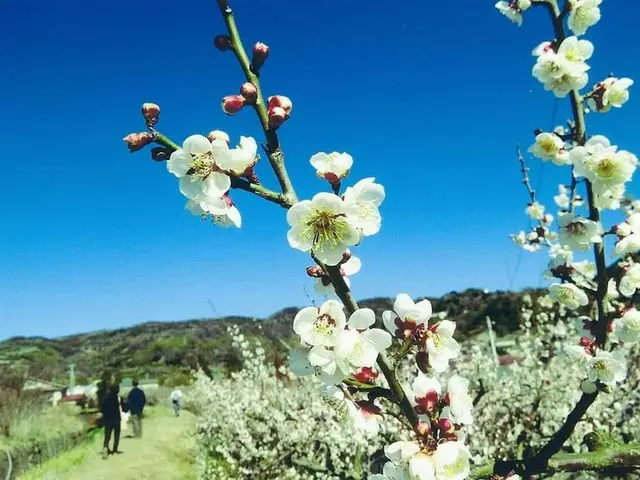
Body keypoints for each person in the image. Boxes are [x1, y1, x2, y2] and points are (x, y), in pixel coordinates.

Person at [100, 382, 123, 459]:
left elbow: (102, 408)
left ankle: (105, 447)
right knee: (116, 435)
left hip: (107, 419)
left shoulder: (105, 397)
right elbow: (123, 406)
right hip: (116, 418)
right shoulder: (118, 397)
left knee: (107, 435)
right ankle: (115, 449)